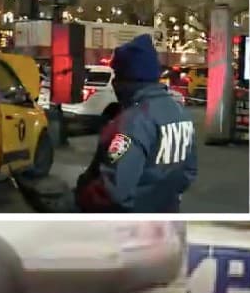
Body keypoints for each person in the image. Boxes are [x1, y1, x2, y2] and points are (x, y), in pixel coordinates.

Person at [74, 34, 197, 212]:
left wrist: (80, 197)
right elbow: (188, 173)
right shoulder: (181, 113)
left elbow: (115, 191)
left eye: (117, 75)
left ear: (129, 79)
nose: (114, 82)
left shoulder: (133, 122)